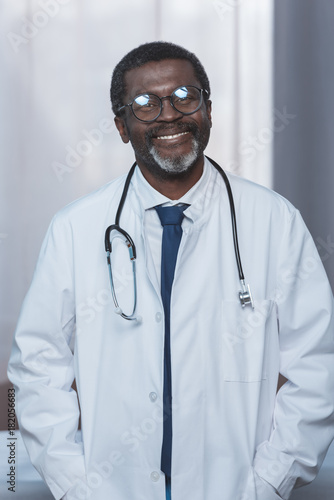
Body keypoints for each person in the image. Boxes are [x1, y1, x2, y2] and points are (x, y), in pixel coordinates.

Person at [7, 41, 334, 500]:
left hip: (235, 489)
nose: (169, 115)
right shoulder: (75, 229)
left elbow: (318, 366)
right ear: (121, 126)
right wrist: (78, 487)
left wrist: (269, 483)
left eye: (186, 96)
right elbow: (38, 368)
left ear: (209, 110)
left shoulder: (274, 221)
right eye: (144, 104)